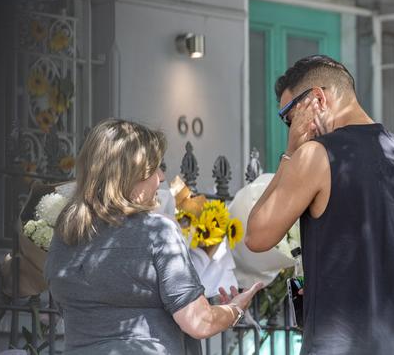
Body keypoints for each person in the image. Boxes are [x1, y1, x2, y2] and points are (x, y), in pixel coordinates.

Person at [245, 55, 394, 354]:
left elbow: (256, 236)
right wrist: (367, 283)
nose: (291, 126)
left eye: (289, 116)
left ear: (317, 98)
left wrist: (291, 151)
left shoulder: (316, 156)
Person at [45, 119, 262, 355]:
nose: (160, 177)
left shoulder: (65, 233)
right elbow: (199, 322)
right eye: (155, 168)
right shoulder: (157, 231)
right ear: (131, 175)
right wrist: (235, 310)